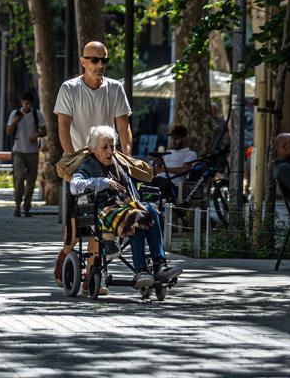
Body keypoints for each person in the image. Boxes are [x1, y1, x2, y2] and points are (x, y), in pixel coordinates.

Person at [53, 40, 133, 288]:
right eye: (95, 60)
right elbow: (63, 126)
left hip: (107, 161)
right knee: (77, 225)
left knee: (101, 222)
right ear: (83, 62)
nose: (100, 65)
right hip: (81, 164)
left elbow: (123, 127)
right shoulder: (70, 89)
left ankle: (91, 275)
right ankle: (65, 258)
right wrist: (72, 160)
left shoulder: (115, 88)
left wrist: (125, 158)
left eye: (104, 60)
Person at [69, 126, 182, 291]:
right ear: (94, 150)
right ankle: (140, 270)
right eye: (105, 147)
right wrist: (103, 182)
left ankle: (159, 265)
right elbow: (75, 186)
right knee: (135, 214)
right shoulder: (86, 167)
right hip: (102, 212)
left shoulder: (117, 165)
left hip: (124, 208)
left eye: (112, 146)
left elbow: (131, 191)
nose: (110, 151)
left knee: (149, 210)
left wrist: (140, 205)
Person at [6, 90, 46, 216]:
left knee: (31, 181)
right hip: (18, 150)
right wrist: (15, 122)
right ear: (22, 102)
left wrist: (36, 135)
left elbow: (44, 131)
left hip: (33, 152)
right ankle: (17, 206)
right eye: (25, 103)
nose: (26, 106)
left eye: (29, 104)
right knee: (19, 179)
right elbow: (8, 131)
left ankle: (27, 207)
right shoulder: (15, 114)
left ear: (31, 103)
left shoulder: (37, 114)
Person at [149, 125, 198, 202]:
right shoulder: (168, 152)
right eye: (172, 138)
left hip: (173, 185)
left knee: (156, 190)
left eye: (176, 138)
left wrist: (164, 170)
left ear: (184, 139)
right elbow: (156, 171)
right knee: (140, 187)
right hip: (158, 181)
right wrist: (158, 165)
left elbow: (184, 169)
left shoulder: (190, 154)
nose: (173, 141)